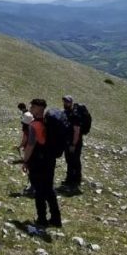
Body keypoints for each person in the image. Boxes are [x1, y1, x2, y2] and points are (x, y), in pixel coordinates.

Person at [22, 98, 62, 228]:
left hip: (38, 162)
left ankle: (42, 219)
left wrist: (25, 161)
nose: (30, 109)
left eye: (32, 107)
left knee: (39, 190)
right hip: (50, 160)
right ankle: (56, 218)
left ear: (39, 108)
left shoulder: (34, 125)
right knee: (49, 189)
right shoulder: (48, 123)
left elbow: (30, 145)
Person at [60, 95, 84, 191]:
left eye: (67, 102)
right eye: (64, 101)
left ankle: (75, 181)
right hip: (68, 141)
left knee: (74, 160)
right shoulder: (66, 113)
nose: (65, 103)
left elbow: (76, 131)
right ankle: (69, 179)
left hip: (75, 142)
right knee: (69, 160)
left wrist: (73, 144)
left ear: (71, 103)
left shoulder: (75, 115)